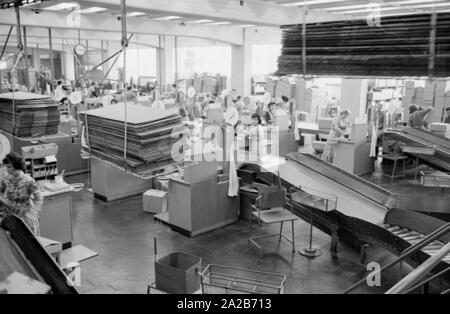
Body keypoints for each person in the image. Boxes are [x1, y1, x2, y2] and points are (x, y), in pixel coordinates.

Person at [0, 153, 43, 236]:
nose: (7, 170)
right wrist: (4, 201)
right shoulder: (6, 179)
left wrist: (33, 213)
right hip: (10, 219)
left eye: (9, 167)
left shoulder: (28, 181)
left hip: (25, 219)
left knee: (27, 244)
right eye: (6, 167)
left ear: (17, 166)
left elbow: (39, 198)